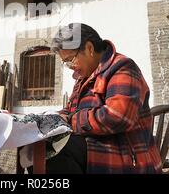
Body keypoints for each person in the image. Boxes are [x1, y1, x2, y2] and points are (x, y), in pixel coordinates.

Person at [44, 23, 162, 174]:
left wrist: (71, 120)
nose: (69, 66)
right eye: (65, 62)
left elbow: (118, 116)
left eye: (70, 59)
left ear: (89, 49)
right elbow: (70, 110)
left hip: (126, 156)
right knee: (39, 146)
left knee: (56, 152)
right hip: (95, 146)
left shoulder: (123, 67)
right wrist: (55, 118)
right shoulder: (83, 77)